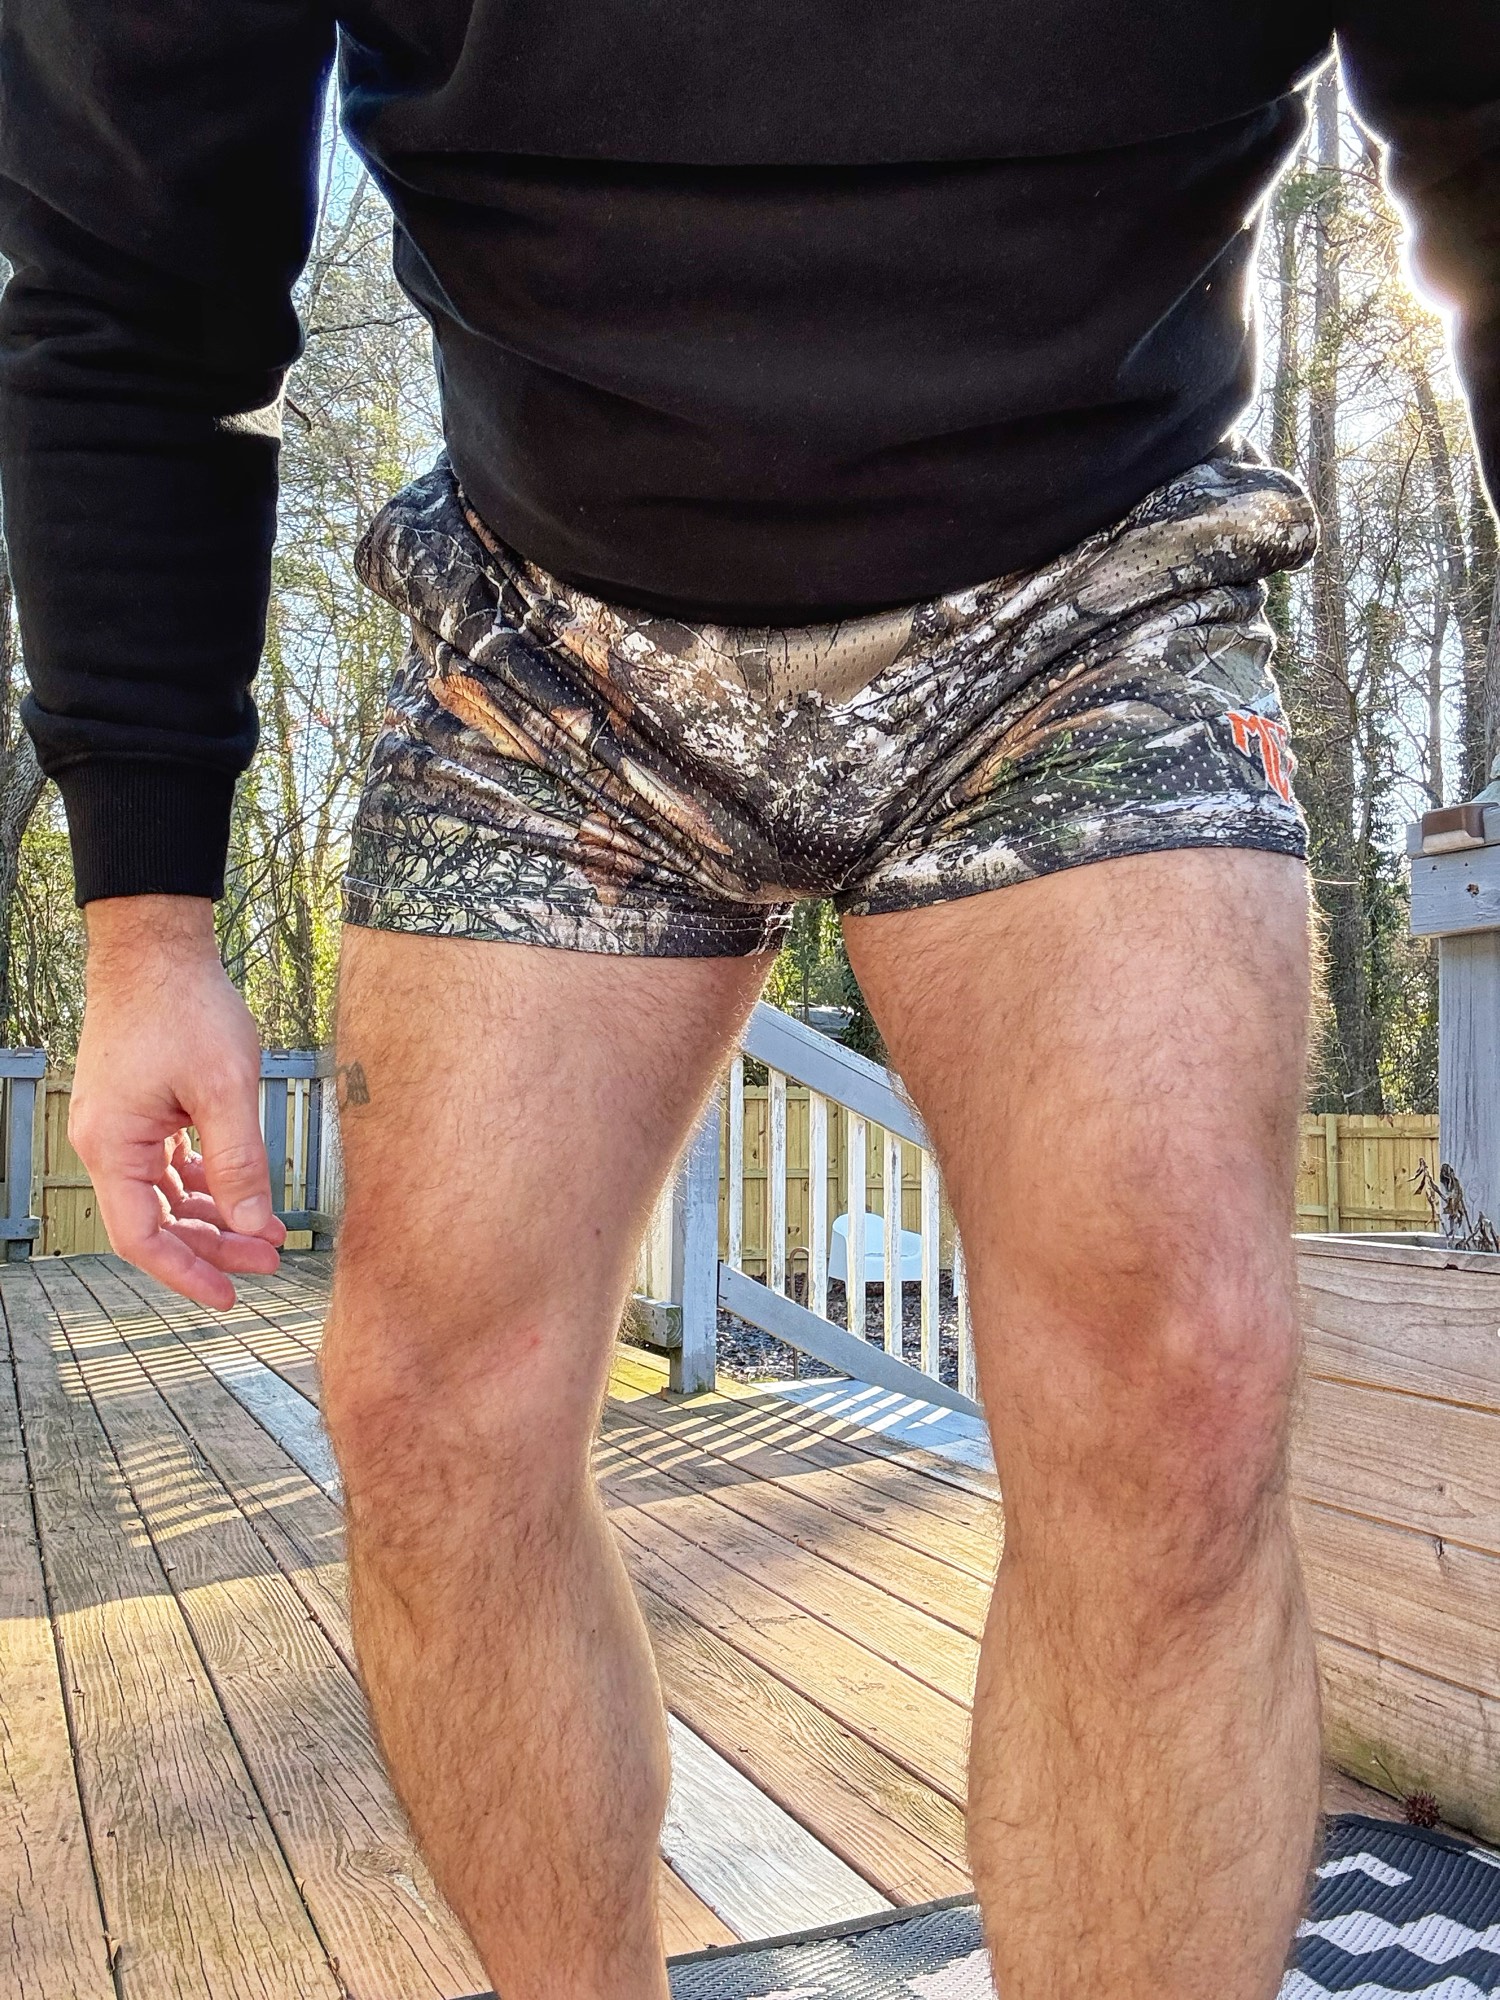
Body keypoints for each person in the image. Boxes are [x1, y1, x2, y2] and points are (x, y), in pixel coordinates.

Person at [0, 5, 1494, 1995]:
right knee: (427, 1416)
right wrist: (146, 922)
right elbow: (129, 270)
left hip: (1094, 573)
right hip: (550, 621)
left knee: (1177, 1381)